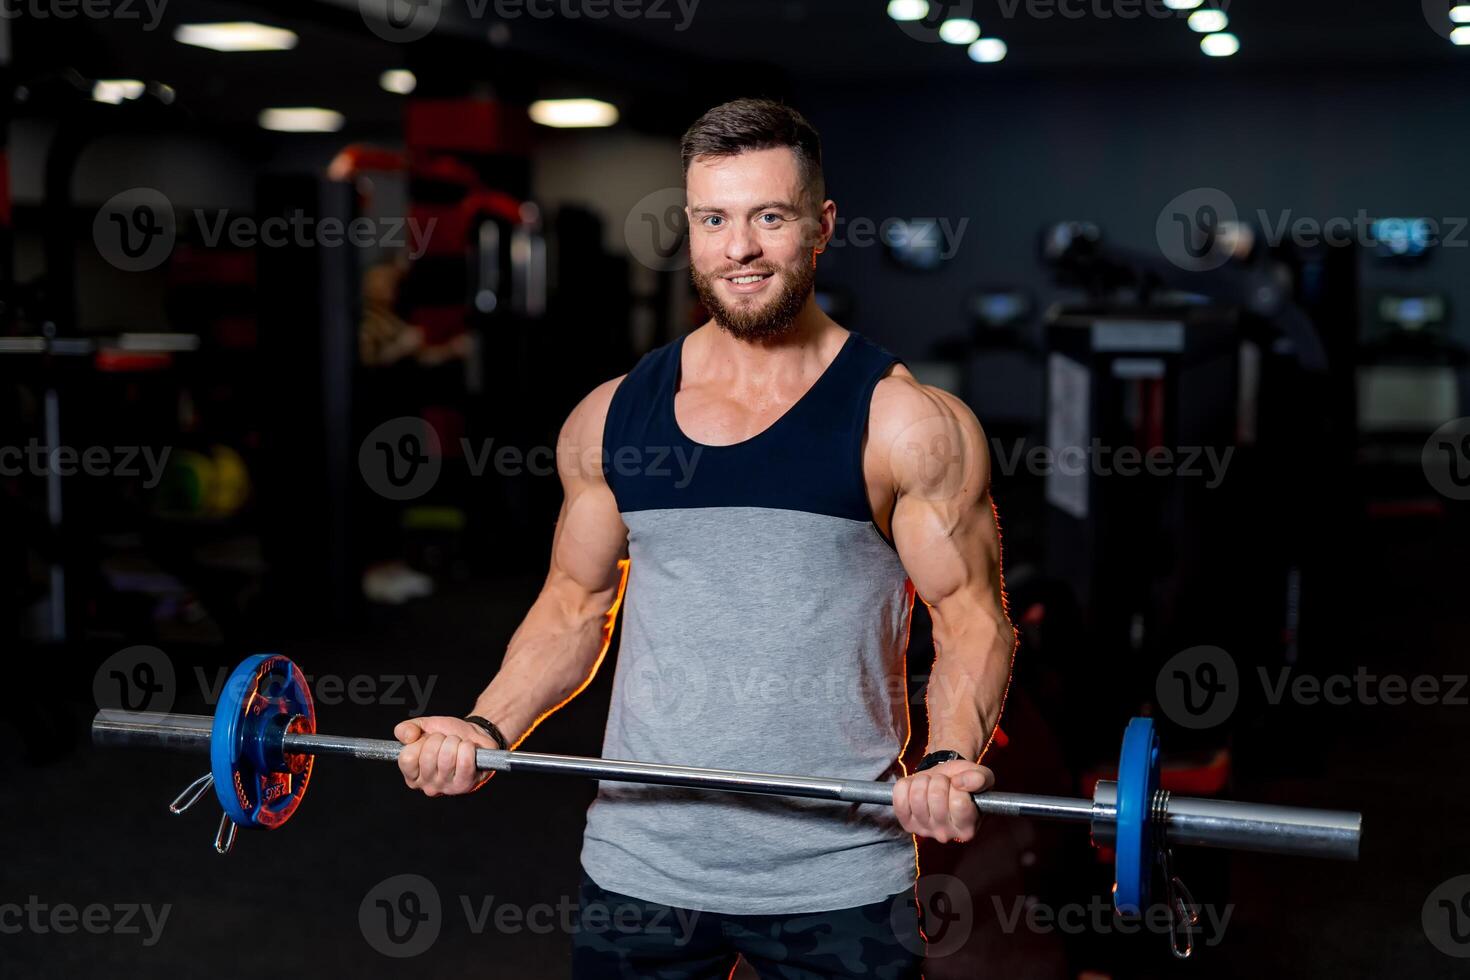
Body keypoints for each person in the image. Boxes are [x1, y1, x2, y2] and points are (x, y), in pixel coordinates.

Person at [395, 98, 1015, 978]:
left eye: (770, 216)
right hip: (640, 867)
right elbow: (574, 607)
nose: (740, 248)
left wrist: (950, 758)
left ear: (821, 225)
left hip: (834, 875)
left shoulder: (902, 423)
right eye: (714, 219)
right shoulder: (613, 418)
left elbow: (971, 618)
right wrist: (486, 724)